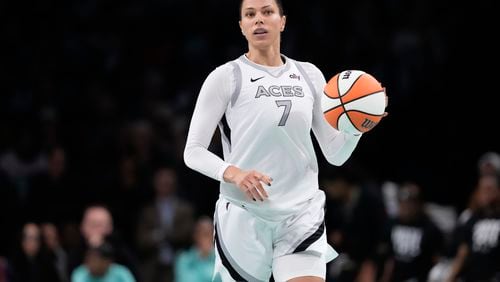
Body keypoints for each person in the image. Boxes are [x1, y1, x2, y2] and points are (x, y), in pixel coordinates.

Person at [183, 0, 387, 281]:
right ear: (241, 26)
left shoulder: (309, 75)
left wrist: (355, 127)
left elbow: (335, 154)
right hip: (244, 213)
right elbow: (192, 151)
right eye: (250, 14)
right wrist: (234, 174)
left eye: (267, 12)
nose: (259, 20)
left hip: (300, 212)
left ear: (282, 21)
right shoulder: (225, 77)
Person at [446, 174, 500, 282]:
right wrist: (451, 277)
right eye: (483, 190)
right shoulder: (472, 219)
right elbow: (463, 252)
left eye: (490, 189)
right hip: (472, 275)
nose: (487, 194)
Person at [174, 216, 218, 282]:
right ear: (195, 236)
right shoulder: (183, 259)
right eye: (204, 234)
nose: (208, 237)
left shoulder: (220, 260)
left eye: (211, 233)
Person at [71, 241, 136, 282]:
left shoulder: (121, 272)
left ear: (107, 262)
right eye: (88, 259)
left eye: (94, 260)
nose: (89, 263)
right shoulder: (80, 273)